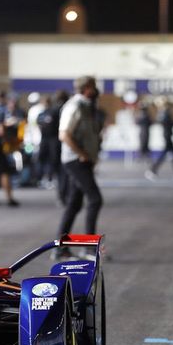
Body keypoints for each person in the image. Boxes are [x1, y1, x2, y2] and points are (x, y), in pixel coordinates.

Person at [55, 76, 103, 259]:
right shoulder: (73, 106)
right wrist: (82, 153)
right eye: (94, 87)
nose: (96, 90)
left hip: (83, 160)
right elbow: (64, 134)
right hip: (76, 160)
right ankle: (88, 247)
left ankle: (60, 248)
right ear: (87, 88)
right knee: (95, 199)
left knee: (74, 204)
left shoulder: (87, 106)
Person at [146, 96, 173, 182]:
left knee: (172, 155)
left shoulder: (165, 113)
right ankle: (153, 170)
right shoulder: (164, 113)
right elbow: (170, 122)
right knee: (168, 155)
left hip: (168, 136)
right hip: (167, 137)